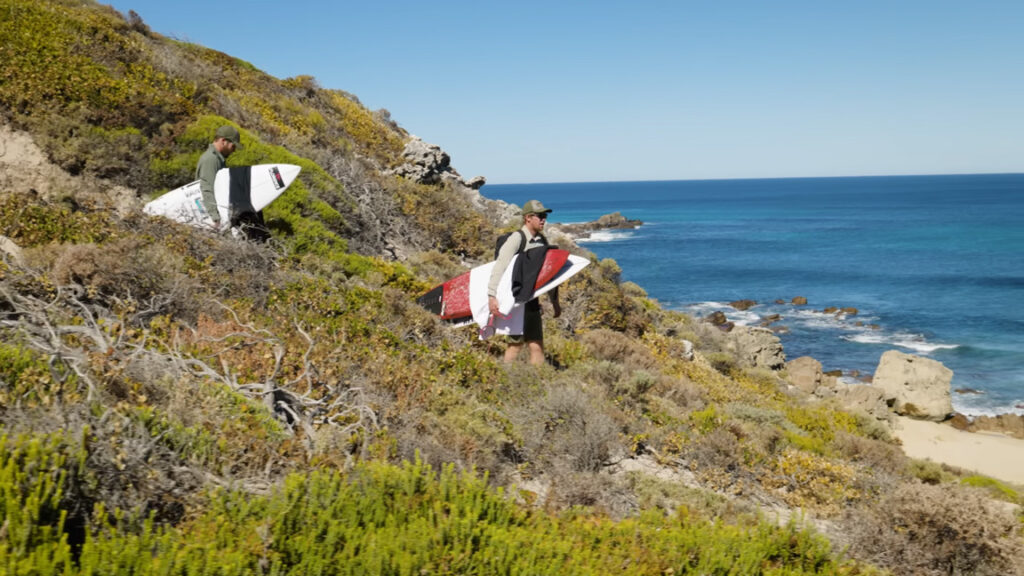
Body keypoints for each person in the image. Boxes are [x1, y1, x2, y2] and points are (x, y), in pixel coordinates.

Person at [488, 199, 562, 365]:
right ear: (528, 218)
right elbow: (500, 266)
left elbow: (548, 274)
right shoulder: (517, 239)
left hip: (532, 301)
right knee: (515, 345)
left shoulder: (542, 242)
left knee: (536, 344)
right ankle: (505, 380)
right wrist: (492, 295)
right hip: (515, 299)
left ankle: (538, 381)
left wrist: (554, 301)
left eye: (544, 216)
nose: (543, 219)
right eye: (540, 216)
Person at [195, 125, 242, 230]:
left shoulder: (218, 159)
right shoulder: (211, 160)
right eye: (233, 146)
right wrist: (216, 219)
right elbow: (207, 189)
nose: (233, 150)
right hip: (210, 219)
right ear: (223, 141)